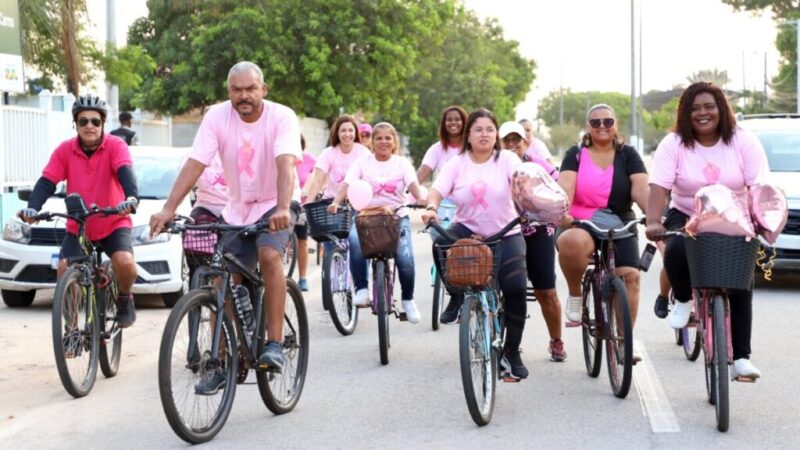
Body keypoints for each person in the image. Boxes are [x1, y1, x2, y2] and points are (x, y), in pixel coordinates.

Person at [149, 61, 301, 388]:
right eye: (236, 90)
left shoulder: (282, 116)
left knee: (269, 255)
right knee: (220, 277)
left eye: (250, 89)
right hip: (237, 209)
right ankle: (223, 359)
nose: (243, 96)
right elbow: (196, 163)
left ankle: (274, 343)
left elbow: (286, 164)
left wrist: (284, 207)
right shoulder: (217, 117)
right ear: (228, 90)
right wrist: (169, 208)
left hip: (277, 204)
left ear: (263, 89)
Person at [645, 82, 768, 379]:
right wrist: (653, 221)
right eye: (695, 108)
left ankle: (741, 358)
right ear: (685, 113)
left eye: (709, 107)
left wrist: (761, 219)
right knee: (675, 248)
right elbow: (659, 187)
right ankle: (685, 300)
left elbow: (758, 186)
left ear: (721, 109)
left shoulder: (742, 141)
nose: (702, 113)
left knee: (740, 283)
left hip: (733, 215)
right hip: (687, 212)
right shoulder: (673, 144)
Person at [421, 109, 530, 380]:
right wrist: (431, 207)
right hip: (467, 230)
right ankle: (457, 295)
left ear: (496, 136)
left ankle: (512, 351)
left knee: (516, 289)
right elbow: (437, 190)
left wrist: (533, 205)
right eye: (478, 129)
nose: (484, 134)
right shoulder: (457, 163)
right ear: (468, 135)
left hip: (506, 231)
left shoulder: (506, 159)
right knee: (439, 244)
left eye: (490, 129)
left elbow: (524, 186)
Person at [18, 95, 139, 328]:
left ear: (103, 123)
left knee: (124, 262)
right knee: (64, 269)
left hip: (113, 221)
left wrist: (131, 197)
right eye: (83, 121)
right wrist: (32, 207)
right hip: (79, 225)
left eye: (95, 121)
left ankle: (124, 299)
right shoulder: (65, 150)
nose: (89, 126)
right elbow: (47, 181)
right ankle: (71, 329)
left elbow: (125, 172)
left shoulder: (116, 146)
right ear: (75, 124)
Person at [555, 104, 648, 362]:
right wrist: (562, 212)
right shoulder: (575, 154)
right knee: (572, 242)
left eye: (607, 121)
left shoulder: (628, 154)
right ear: (588, 126)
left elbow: (641, 190)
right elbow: (565, 187)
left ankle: (624, 340)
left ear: (615, 124)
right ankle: (575, 294)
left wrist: (653, 215)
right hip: (580, 220)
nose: (602, 127)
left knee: (630, 276)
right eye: (596, 122)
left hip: (619, 221)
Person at [327, 122, 426, 323]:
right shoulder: (362, 163)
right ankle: (362, 289)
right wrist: (336, 201)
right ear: (372, 142)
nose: (383, 141)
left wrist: (422, 199)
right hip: (366, 215)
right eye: (379, 138)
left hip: (397, 216)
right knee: (354, 241)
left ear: (394, 142)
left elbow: (413, 185)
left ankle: (408, 299)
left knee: (405, 257)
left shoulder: (402, 163)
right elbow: (348, 184)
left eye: (388, 138)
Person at [499, 121, 566, 362]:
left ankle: (556, 340)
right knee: (499, 289)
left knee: (545, 291)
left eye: (516, 139)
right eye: (506, 140)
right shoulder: (493, 164)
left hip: (537, 232)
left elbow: (559, 190)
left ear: (525, 141)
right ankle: (499, 341)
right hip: (504, 232)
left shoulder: (538, 164)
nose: (511, 144)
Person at [295, 134, 316, 291]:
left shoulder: (309, 159)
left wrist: (308, 192)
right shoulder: (281, 157)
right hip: (281, 204)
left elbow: (318, 178)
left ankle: (302, 278)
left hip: (301, 206)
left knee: (302, 241)